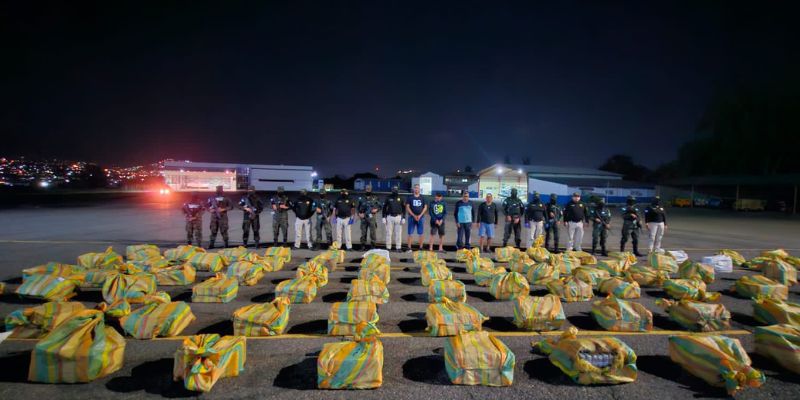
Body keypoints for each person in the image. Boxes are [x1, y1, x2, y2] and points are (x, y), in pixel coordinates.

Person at [405, 184, 428, 252]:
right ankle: (409, 248)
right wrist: (414, 215)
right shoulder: (410, 197)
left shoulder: (422, 198)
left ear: (419, 189)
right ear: (413, 189)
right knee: (410, 233)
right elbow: (407, 207)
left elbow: (425, 207)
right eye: (415, 188)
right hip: (412, 217)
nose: (416, 189)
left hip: (421, 218)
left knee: (421, 233)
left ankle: (421, 248)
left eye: (418, 188)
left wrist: (420, 215)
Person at [357, 185, 381, 250]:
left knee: (373, 232)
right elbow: (358, 208)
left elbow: (380, 206)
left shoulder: (375, 198)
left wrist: (377, 210)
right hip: (363, 218)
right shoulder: (361, 198)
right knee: (363, 232)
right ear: (365, 189)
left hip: (371, 218)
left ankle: (373, 246)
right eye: (367, 189)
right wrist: (359, 214)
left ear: (371, 190)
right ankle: (362, 246)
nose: (368, 190)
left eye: (369, 189)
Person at [382, 186, 405, 252]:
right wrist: (383, 217)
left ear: (397, 190)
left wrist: (404, 217)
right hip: (389, 217)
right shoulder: (388, 198)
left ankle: (398, 248)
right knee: (389, 233)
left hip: (398, 217)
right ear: (392, 190)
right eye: (393, 190)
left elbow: (404, 208)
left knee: (398, 233)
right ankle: (388, 247)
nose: (395, 191)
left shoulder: (401, 198)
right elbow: (384, 208)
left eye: (396, 189)